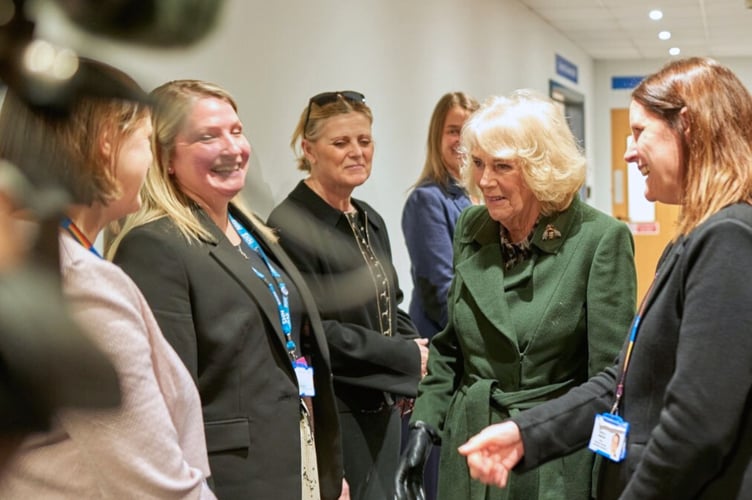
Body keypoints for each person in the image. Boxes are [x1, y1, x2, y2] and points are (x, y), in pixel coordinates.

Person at [458, 57, 752, 500]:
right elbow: (621, 381)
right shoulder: (694, 237)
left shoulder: (728, 238)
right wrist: (525, 434)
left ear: (687, 126)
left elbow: (697, 426)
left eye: (639, 133)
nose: (629, 152)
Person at [395, 90, 637, 500]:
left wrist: (604, 481)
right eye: (478, 164)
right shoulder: (473, 227)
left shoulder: (599, 239)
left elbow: (610, 385)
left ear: (543, 168)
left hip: (552, 462)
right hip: (471, 454)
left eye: (502, 166)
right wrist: (422, 429)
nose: (485, 181)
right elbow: (451, 349)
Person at [109, 80, 344, 500]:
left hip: (296, 456)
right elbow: (165, 400)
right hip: (231, 478)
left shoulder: (250, 229)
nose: (232, 148)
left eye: (236, 131)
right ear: (166, 158)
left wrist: (323, 469)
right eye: (207, 136)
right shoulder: (154, 246)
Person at [0, 58, 215, 498]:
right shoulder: (78, 283)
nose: (152, 162)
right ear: (105, 144)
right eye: (145, 140)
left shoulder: (31, 262)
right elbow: (157, 486)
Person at [267, 91, 429, 500]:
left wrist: (413, 356)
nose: (357, 152)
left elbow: (389, 303)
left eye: (365, 140)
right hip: (335, 415)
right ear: (309, 149)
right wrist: (406, 359)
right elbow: (312, 333)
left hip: (384, 408)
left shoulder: (368, 217)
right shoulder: (291, 224)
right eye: (341, 143)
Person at [400, 91, 479, 500]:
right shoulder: (427, 201)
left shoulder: (476, 197)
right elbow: (441, 290)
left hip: (474, 361)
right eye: (453, 130)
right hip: (443, 356)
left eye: (469, 130)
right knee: (437, 478)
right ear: (437, 136)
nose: (461, 140)